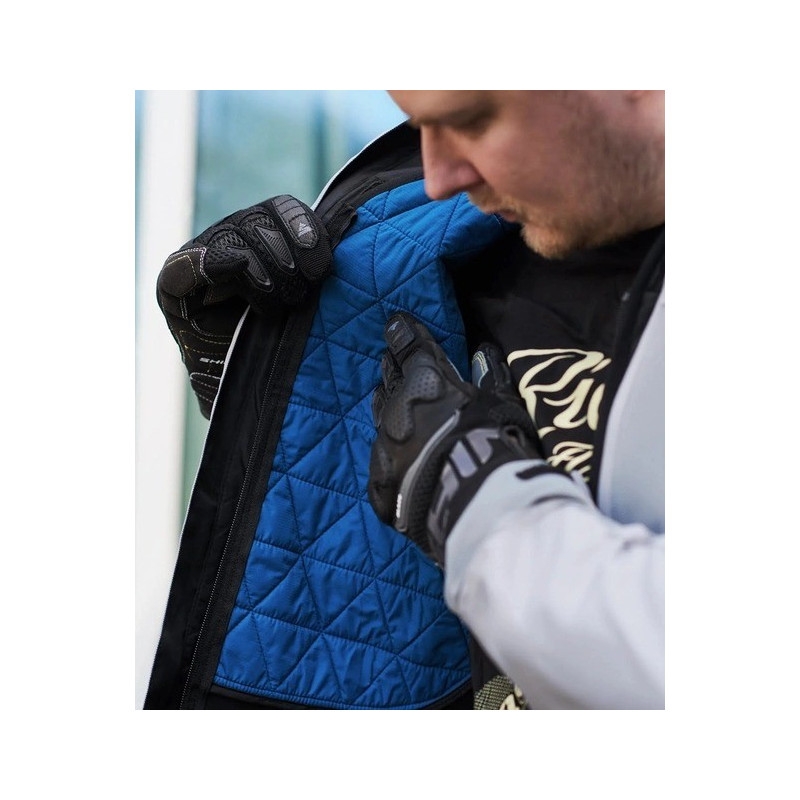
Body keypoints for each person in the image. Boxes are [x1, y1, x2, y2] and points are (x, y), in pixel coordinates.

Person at [367, 90, 665, 709]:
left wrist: (475, 502)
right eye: (417, 125)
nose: (438, 178)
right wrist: (252, 370)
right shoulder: (459, 253)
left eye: (472, 120)